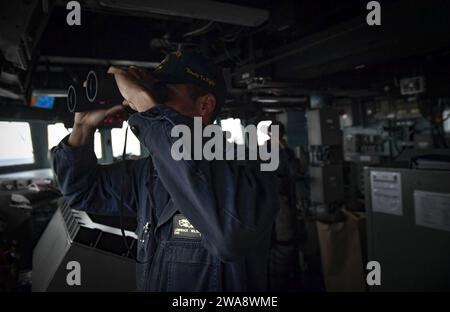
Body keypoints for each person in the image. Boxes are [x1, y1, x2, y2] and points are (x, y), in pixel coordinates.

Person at [51, 50, 279, 291]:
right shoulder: (149, 174)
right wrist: (82, 129)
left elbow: (229, 236)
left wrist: (149, 106)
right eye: (153, 94)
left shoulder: (249, 168)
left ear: (205, 105)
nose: (153, 103)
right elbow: (81, 192)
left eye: (163, 94)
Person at [266, 121, 302, 291]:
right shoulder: (262, 151)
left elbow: (295, 172)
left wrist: (285, 150)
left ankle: (284, 279)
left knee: (285, 241)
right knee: (269, 241)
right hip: (266, 201)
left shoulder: (286, 152)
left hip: (283, 201)